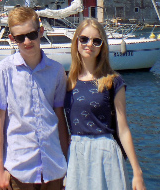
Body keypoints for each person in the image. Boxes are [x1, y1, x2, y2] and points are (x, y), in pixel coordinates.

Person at [0, 7, 68, 190]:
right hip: (19, 169)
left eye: (31, 34)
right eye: (19, 37)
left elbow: (59, 118)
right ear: (12, 38)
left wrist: (67, 160)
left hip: (53, 166)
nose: (27, 41)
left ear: (41, 32)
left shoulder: (56, 71)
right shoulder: (3, 70)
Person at [64, 19, 146, 190]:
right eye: (84, 39)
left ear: (102, 46)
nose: (89, 44)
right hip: (76, 154)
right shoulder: (67, 82)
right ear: (76, 41)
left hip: (106, 153)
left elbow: (123, 129)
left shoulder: (113, 82)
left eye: (96, 41)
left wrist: (137, 172)